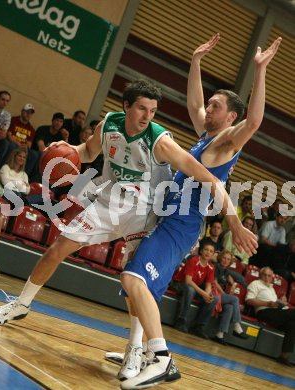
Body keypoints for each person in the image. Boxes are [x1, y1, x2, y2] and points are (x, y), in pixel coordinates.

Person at [0, 78, 236, 332]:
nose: (147, 116)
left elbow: (203, 173)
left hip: (144, 211)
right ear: (126, 105)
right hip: (109, 204)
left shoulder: (160, 140)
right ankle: (22, 304)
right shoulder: (109, 126)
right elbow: (87, 152)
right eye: (141, 109)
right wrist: (63, 149)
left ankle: (137, 348)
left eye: (152, 111)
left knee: (135, 283)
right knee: (57, 247)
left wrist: (232, 217)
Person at [117, 34, 280, 389]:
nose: (208, 109)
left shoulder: (226, 142)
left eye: (216, 106)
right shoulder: (206, 137)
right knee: (137, 285)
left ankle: (159, 357)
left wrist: (260, 70)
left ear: (230, 117)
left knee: (134, 280)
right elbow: (193, 106)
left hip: (182, 223)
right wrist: (194, 61)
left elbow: (253, 123)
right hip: (168, 216)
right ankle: (138, 351)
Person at [245, 266, 295, 366]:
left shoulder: (271, 288)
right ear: (260, 275)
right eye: (265, 275)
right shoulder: (255, 284)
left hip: (275, 312)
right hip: (264, 312)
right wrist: (268, 304)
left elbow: (275, 304)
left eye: (269, 276)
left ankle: (283, 356)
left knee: (292, 324)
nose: (267, 277)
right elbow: (249, 300)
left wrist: (280, 302)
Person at [174, 238, 219, 337]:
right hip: (180, 284)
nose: (208, 252)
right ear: (201, 251)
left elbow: (208, 284)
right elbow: (188, 281)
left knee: (214, 298)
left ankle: (198, 326)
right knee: (190, 290)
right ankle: (181, 320)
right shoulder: (194, 260)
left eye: (211, 251)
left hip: (195, 288)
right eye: (206, 250)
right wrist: (204, 294)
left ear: (213, 255)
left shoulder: (211, 267)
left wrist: (208, 295)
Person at [212, 250, 248, 345]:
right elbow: (214, 282)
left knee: (230, 307)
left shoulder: (226, 271)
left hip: (221, 295)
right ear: (220, 258)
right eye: (224, 258)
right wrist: (224, 293)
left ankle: (219, 335)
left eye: (228, 259)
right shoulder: (216, 267)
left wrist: (233, 285)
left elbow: (231, 280)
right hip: (213, 293)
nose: (225, 261)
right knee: (235, 299)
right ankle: (237, 325)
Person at [7, 104, 40, 181]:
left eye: (31, 113)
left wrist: (25, 146)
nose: (29, 114)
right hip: (13, 143)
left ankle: (23, 177)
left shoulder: (31, 128)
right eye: (27, 112)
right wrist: (18, 144)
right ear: (22, 111)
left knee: (34, 154)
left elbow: (29, 144)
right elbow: (9, 135)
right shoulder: (13, 120)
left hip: (23, 148)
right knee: (11, 145)